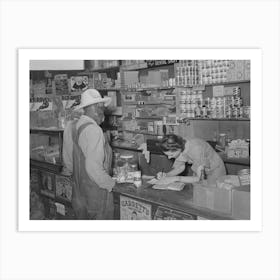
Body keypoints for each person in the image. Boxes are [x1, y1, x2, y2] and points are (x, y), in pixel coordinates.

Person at [62, 89, 115, 219]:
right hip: (97, 196)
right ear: (96, 107)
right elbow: (93, 168)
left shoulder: (71, 126)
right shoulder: (94, 130)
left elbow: (69, 164)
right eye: (102, 108)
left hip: (79, 193)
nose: (104, 112)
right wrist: (111, 184)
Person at [156, 134, 226, 185]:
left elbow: (199, 178)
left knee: (211, 194)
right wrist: (167, 175)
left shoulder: (196, 149)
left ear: (178, 148)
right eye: (167, 155)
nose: (169, 158)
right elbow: (180, 167)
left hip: (215, 169)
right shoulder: (178, 145)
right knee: (198, 192)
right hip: (200, 167)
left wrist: (175, 178)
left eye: (171, 155)